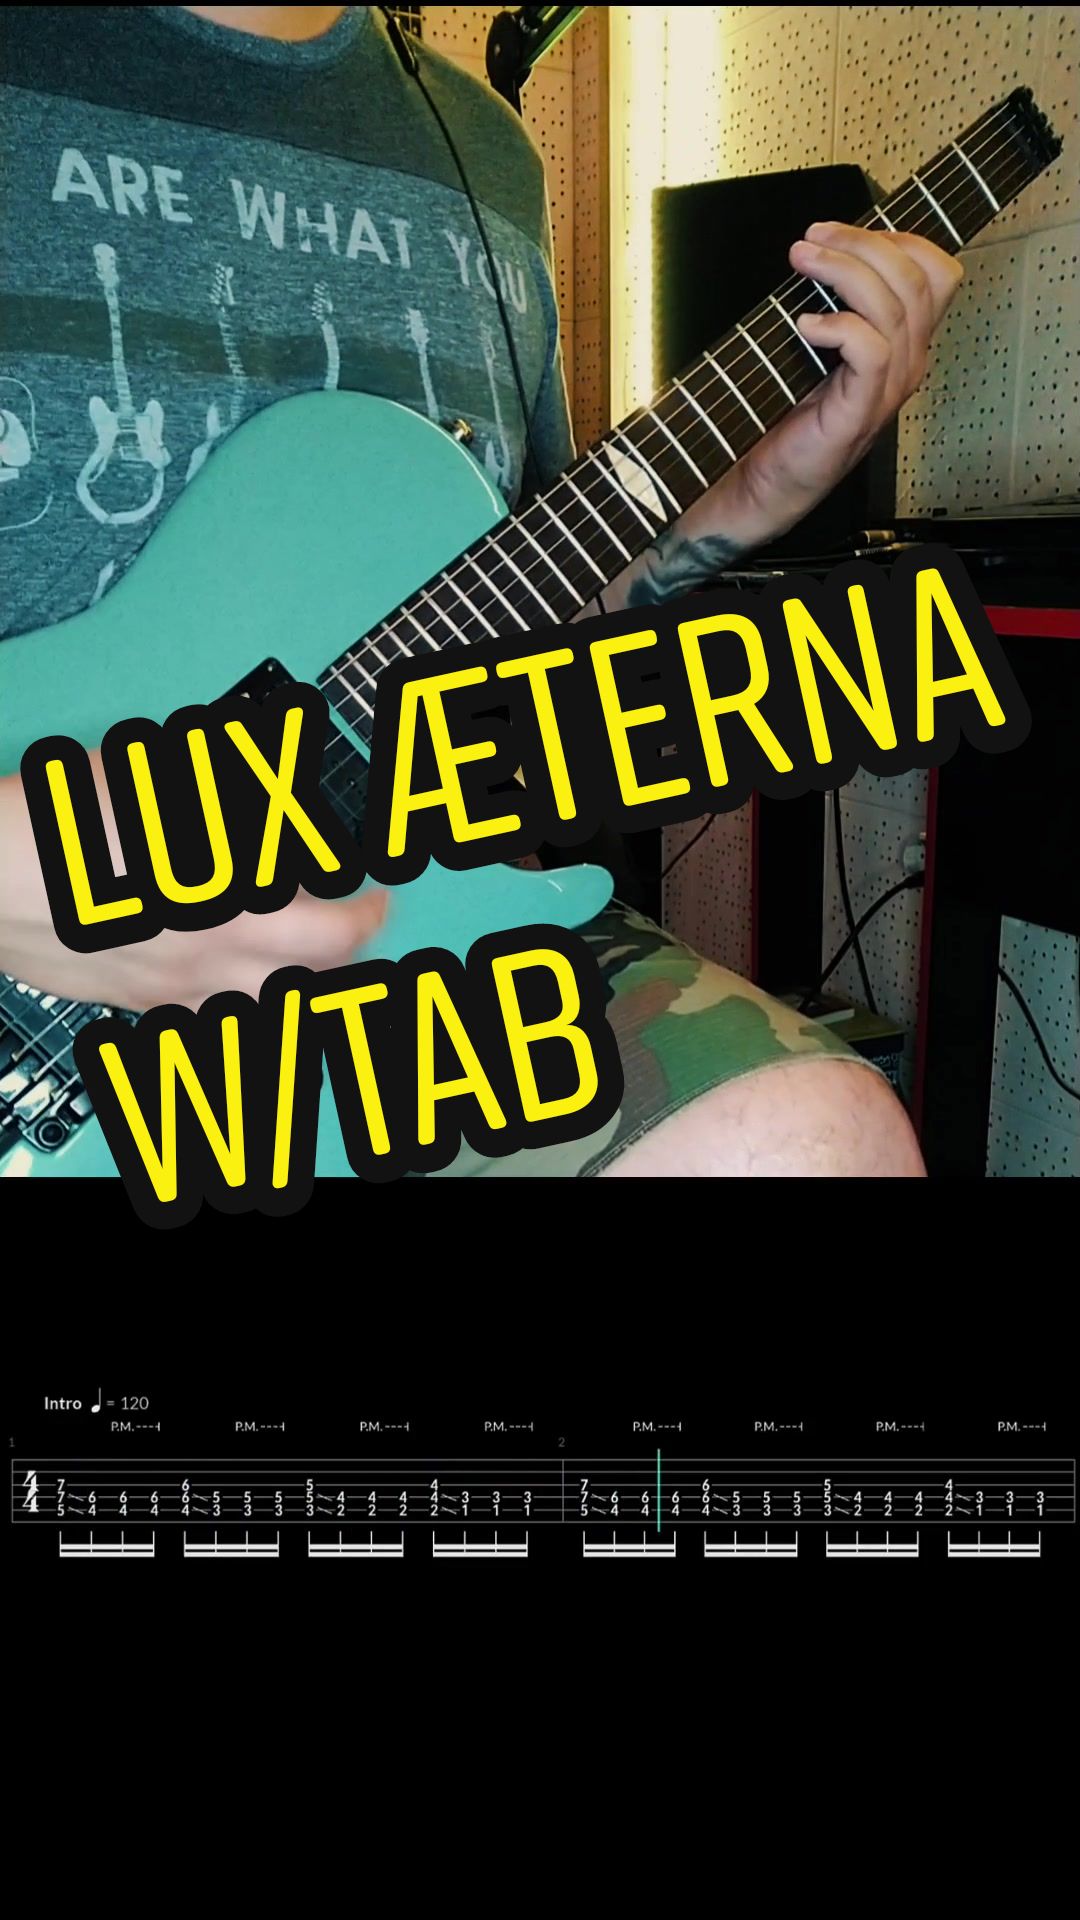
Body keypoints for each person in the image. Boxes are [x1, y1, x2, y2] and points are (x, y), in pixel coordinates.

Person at [0, 4, 961, 1177]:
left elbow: (503, 633)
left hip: (396, 951)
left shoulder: (484, 152)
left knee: (816, 1142)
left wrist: (752, 494)